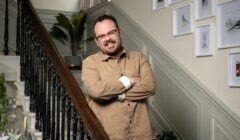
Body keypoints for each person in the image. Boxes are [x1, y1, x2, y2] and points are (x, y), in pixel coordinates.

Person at [82, 14, 156, 140]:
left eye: (111, 32)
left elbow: (149, 87)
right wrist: (130, 81)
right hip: (109, 136)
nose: (107, 38)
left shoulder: (139, 58)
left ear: (119, 32)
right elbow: (97, 91)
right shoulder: (90, 63)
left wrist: (115, 93)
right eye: (101, 36)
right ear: (96, 41)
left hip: (142, 134)